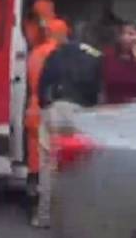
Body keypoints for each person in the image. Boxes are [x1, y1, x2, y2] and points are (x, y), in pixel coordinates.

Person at [33, 38, 104, 228]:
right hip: (81, 112)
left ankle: (44, 217)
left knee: (49, 165)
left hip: (55, 108)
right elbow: (98, 89)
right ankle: (74, 219)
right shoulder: (97, 56)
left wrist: (44, 105)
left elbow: (42, 83)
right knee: (77, 166)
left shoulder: (56, 53)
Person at [24, 19, 69, 211]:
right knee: (47, 159)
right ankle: (43, 204)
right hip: (47, 107)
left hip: (33, 106)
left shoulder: (36, 51)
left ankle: (32, 198)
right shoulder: (56, 54)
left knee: (34, 156)